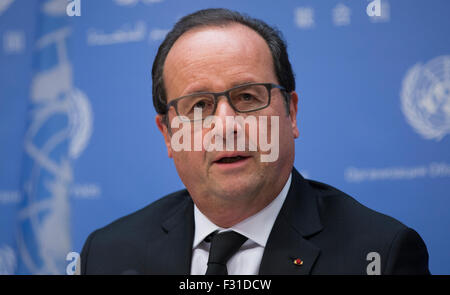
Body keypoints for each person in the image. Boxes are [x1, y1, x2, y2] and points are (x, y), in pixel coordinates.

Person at [80, 8, 430, 275]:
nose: (226, 125)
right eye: (199, 105)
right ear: (168, 135)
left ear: (291, 114)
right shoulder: (107, 255)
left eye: (247, 97)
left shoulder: (380, 254)